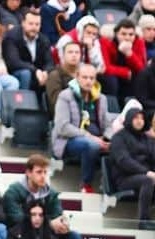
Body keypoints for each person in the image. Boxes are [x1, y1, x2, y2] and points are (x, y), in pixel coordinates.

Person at [2, 151, 81, 239]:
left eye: (45, 172)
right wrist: (49, 224)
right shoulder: (13, 192)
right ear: (28, 173)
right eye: (39, 172)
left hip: (46, 237)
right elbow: (17, 220)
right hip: (22, 238)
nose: (43, 176)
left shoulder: (51, 194)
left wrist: (62, 224)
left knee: (74, 237)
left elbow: (57, 214)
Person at [52, 61, 109, 191]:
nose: (88, 81)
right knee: (91, 145)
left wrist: (108, 138)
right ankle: (86, 185)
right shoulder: (65, 96)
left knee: (120, 144)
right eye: (85, 77)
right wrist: (89, 136)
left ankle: (110, 188)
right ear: (77, 77)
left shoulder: (102, 98)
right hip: (68, 140)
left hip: (97, 138)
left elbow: (106, 124)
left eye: (92, 78)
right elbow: (63, 127)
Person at [108, 101, 155, 224]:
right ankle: (144, 221)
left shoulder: (147, 139)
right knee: (147, 180)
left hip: (146, 175)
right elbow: (123, 161)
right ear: (129, 118)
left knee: (148, 179)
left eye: (141, 118)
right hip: (124, 179)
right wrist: (146, 172)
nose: (139, 121)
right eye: (136, 117)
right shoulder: (119, 137)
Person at [3, 7, 53, 93]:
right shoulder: (12, 37)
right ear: (23, 23)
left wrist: (46, 72)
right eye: (31, 24)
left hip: (37, 74)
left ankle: (46, 106)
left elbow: (49, 62)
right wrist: (35, 70)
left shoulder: (43, 39)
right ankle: (23, 104)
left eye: (37, 24)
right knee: (26, 73)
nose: (34, 27)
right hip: (16, 73)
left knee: (52, 74)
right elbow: (13, 62)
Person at [100, 18, 145, 100]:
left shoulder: (139, 42)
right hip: (115, 77)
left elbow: (141, 69)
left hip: (133, 78)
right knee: (111, 80)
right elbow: (106, 67)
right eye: (123, 34)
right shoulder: (107, 42)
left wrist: (129, 54)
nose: (127, 38)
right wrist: (125, 72)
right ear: (116, 34)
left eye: (131, 35)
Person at [46, 38, 82, 114]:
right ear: (63, 55)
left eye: (77, 52)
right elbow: (56, 102)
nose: (74, 55)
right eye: (70, 52)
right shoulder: (55, 75)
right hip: (64, 115)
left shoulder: (84, 75)